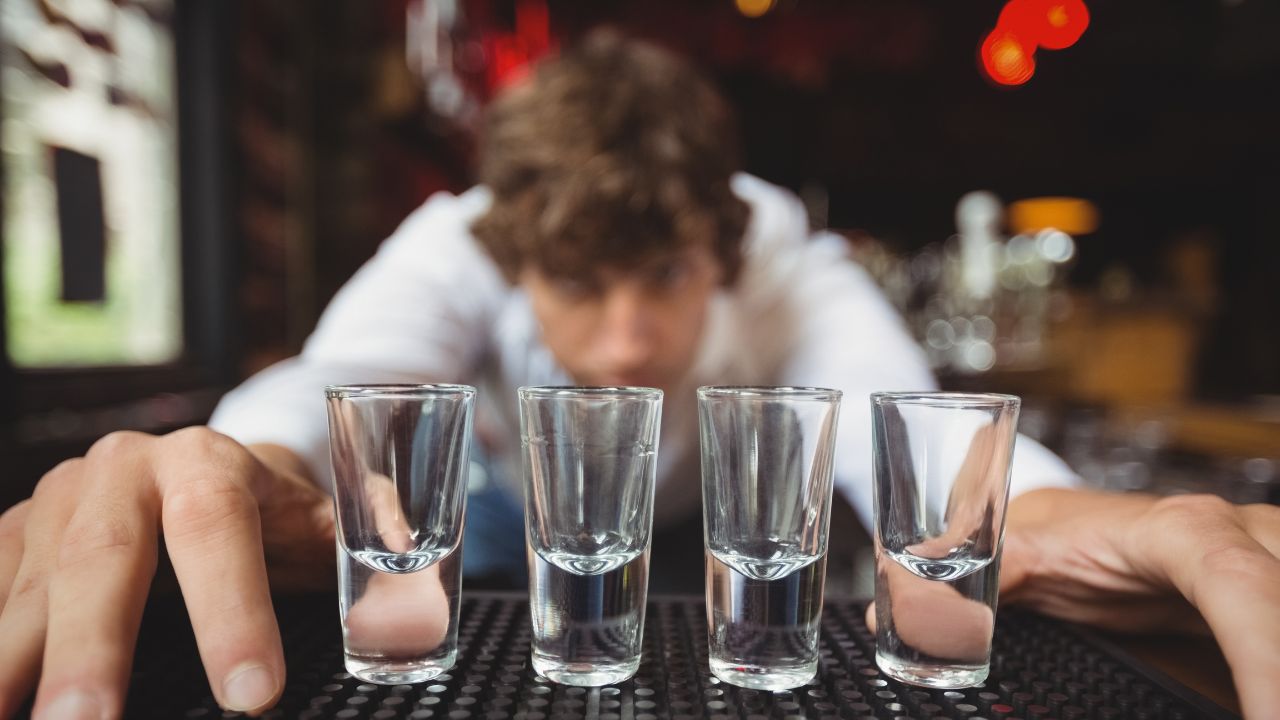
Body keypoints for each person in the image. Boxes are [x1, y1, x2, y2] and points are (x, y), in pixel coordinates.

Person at [0, 31, 1276, 720]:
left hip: (709, 550)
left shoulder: (768, 240)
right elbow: (329, 389)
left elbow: (919, 443)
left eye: (661, 279)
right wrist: (238, 473)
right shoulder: (458, 237)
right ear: (513, 262)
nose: (621, 343)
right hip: (509, 522)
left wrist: (1061, 522)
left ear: (716, 252)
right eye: (575, 286)